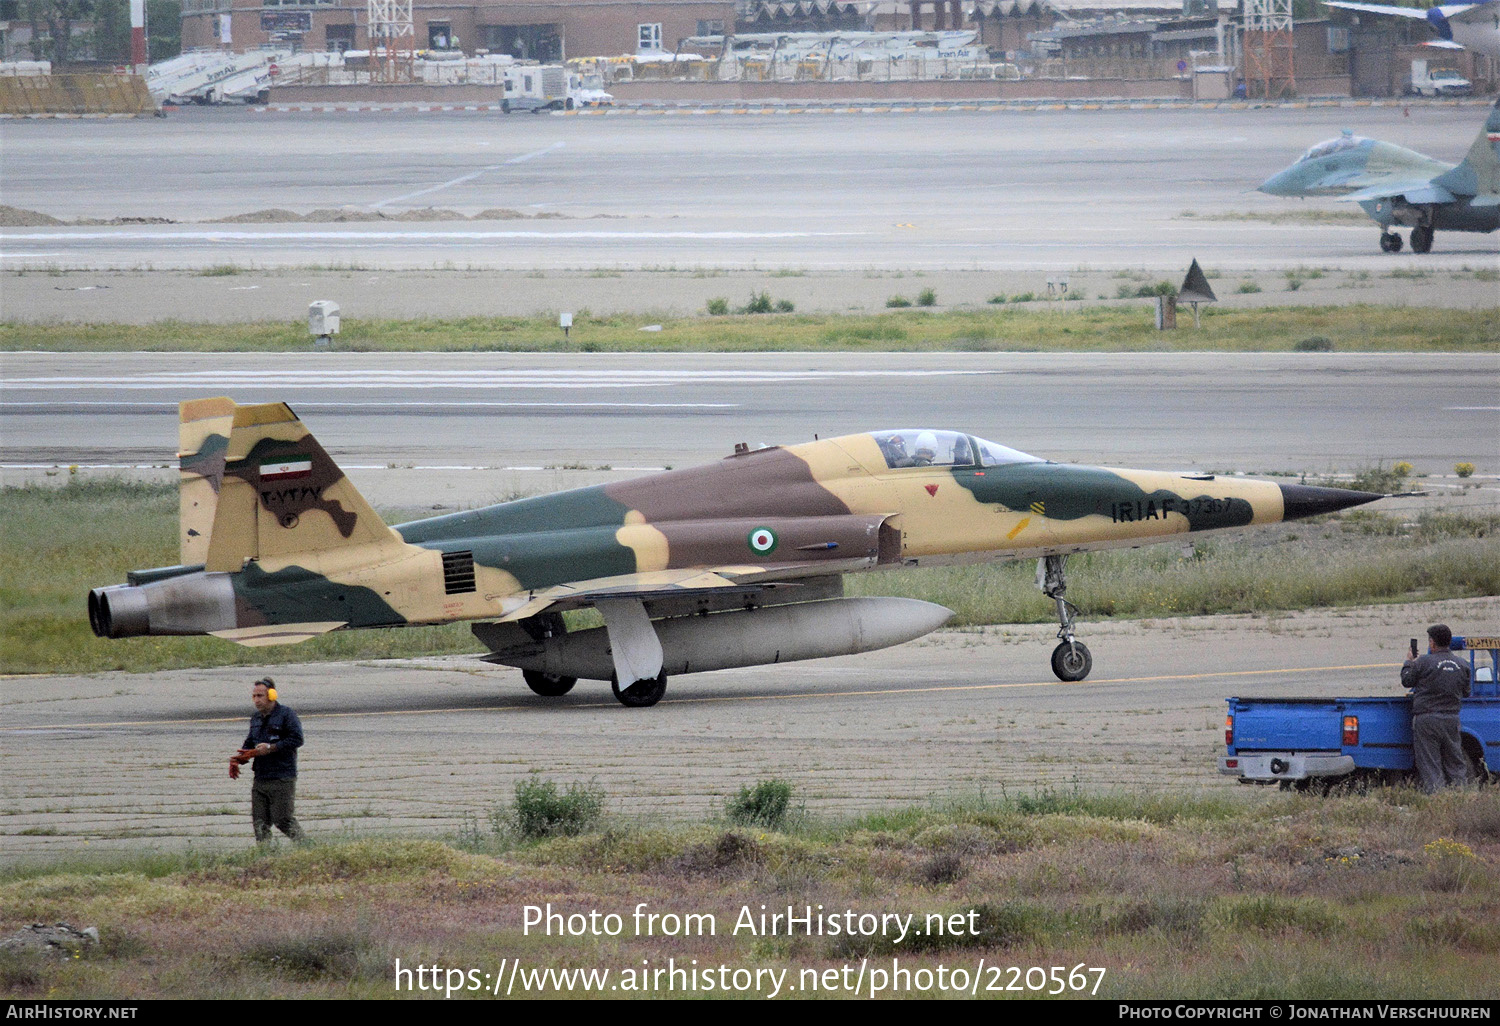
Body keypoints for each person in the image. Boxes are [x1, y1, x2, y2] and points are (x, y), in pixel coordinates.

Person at [230, 677, 305, 842]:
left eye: (260, 696)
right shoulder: (255, 718)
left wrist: (271, 748)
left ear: (272, 695)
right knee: (260, 824)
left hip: (282, 777)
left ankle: (309, 848)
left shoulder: (287, 715)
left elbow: (297, 739)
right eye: (254, 696)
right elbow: (250, 743)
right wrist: (240, 758)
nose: (256, 700)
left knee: (283, 820)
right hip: (261, 778)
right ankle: (265, 857)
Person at [1400, 624, 1472, 792]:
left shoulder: (1424, 662)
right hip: (1451, 718)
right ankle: (1460, 797)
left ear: (1432, 643)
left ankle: (1437, 798)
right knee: (1455, 762)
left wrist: (1409, 662)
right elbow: (1466, 692)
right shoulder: (1463, 664)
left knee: (1430, 763)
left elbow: (1407, 681)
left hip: (1427, 719)